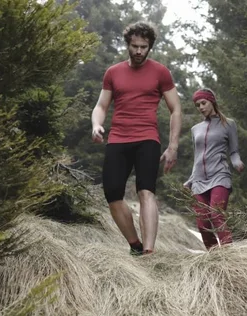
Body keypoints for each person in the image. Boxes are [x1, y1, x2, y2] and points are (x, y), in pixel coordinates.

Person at [91, 21, 182, 256]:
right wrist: (96, 125)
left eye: (144, 47)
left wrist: (173, 146)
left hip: (147, 139)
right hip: (118, 138)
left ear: (150, 46)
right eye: (135, 46)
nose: (139, 51)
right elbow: (101, 105)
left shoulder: (161, 72)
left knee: (146, 191)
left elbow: (176, 109)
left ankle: (149, 252)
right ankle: (135, 245)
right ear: (128, 45)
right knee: (112, 194)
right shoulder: (113, 72)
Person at [183, 88, 245, 250]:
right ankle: (215, 257)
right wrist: (190, 180)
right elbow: (197, 155)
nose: (201, 107)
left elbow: (234, 151)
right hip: (198, 180)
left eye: (203, 103)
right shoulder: (195, 129)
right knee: (202, 222)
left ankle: (229, 255)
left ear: (212, 101)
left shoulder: (228, 124)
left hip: (220, 176)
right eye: (198, 105)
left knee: (216, 215)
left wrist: (237, 162)